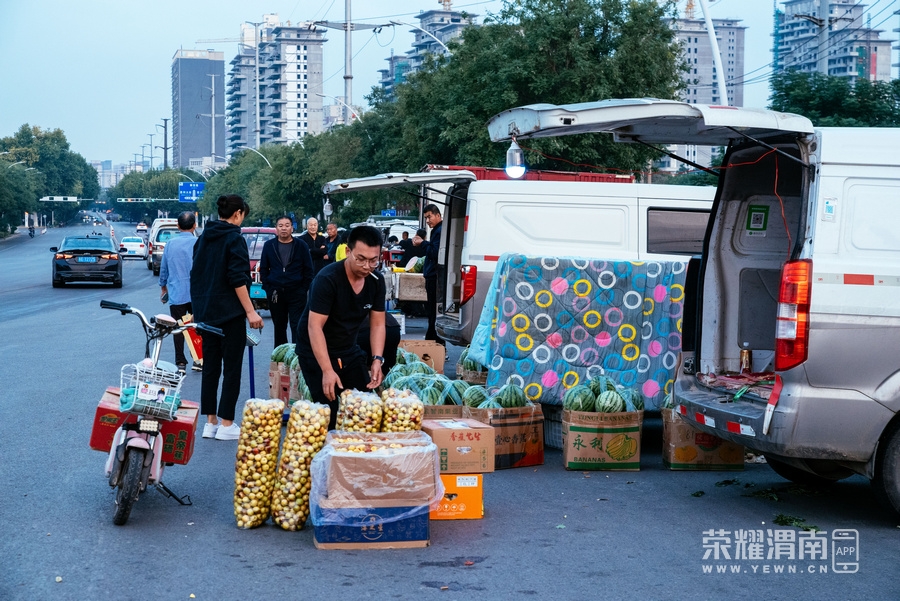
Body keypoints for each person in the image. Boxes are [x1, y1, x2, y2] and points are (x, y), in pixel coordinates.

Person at [295, 225, 386, 430]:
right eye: (361, 259)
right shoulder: (327, 279)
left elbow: (378, 323)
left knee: (363, 408)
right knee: (330, 412)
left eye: (373, 260)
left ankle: (357, 459)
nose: (367, 266)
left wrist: (377, 359)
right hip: (315, 349)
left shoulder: (377, 281)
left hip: (347, 348)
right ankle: (327, 459)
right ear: (348, 252)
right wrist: (327, 370)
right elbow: (314, 327)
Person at [190, 195, 264, 441]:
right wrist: (251, 311)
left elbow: (196, 275)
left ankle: (210, 422)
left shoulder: (202, 239)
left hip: (206, 312)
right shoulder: (234, 238)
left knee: (211, 366)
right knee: (232, 368)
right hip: (229, 313)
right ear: (238, 213)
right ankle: (227, 423)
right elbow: (238, 279)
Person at [258, 215, 313, 348]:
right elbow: (264, 269)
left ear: (292, 228)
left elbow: (308, 270)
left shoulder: (301, 245)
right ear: (276, 228)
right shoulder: (269, 245)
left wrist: (303, 289)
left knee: (297, 325)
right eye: (281, 225)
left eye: (287, 225)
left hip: (296, 291)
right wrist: (268, 288)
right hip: (276, 292)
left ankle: (297, 357)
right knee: (279, 326)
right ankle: (280, 359)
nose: (284, 228)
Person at [158, 211, 198, 374]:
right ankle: (199, 360)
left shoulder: (170, 244)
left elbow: (164, 268)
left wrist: (163, 287)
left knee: (178, 329)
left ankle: (180, 363)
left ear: (178, 226)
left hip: (177, 294)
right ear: (195, 225)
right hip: (197, 295)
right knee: (197, 327)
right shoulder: (199, 243)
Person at [412, 205, 445, 344]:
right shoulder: (437, 230)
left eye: (429, 216)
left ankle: (435, 342)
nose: (427, 220)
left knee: (433, 312)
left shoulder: (439, 231)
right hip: (432, 276)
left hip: (435, 277)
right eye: (425, 217)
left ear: (438, 215)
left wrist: (422, 243)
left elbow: (435, 252)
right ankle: (432, 341)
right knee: (431, 312)